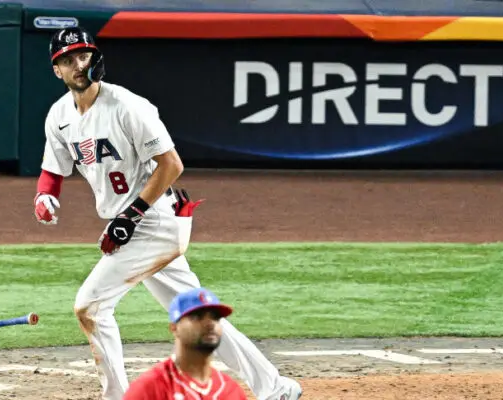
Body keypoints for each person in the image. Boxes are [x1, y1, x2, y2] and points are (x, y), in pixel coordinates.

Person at [32, 26, 303, 400]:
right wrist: (45, 196)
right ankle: (276, 387)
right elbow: (52, 169)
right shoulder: (59, 115)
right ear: (56, 70)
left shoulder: (127, 106)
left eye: (84, 55)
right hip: (133, 223)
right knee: (197, 319)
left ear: (95, 58)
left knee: (90, 307)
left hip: (156, 218)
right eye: (68, 60)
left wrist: (131, 216)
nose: (78, 64)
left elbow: (171, 164)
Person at [123, 287, 249, 400]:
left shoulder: (232, 392)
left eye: (215, 317)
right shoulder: (149, 390)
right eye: (197, 317)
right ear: (174, 328)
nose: (210, 324)